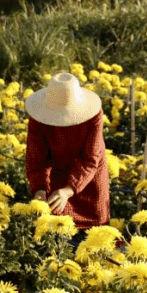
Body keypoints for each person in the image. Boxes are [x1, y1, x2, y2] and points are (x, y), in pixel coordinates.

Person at [25, 72, 110, 229]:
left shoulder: (93, 116)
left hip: (89, 179)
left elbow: (90, 160)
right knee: (55, 227)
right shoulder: (38, 119)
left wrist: (68, 191)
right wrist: (40, 190)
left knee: (95, 229)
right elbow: (36, 158)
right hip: (56, 175)